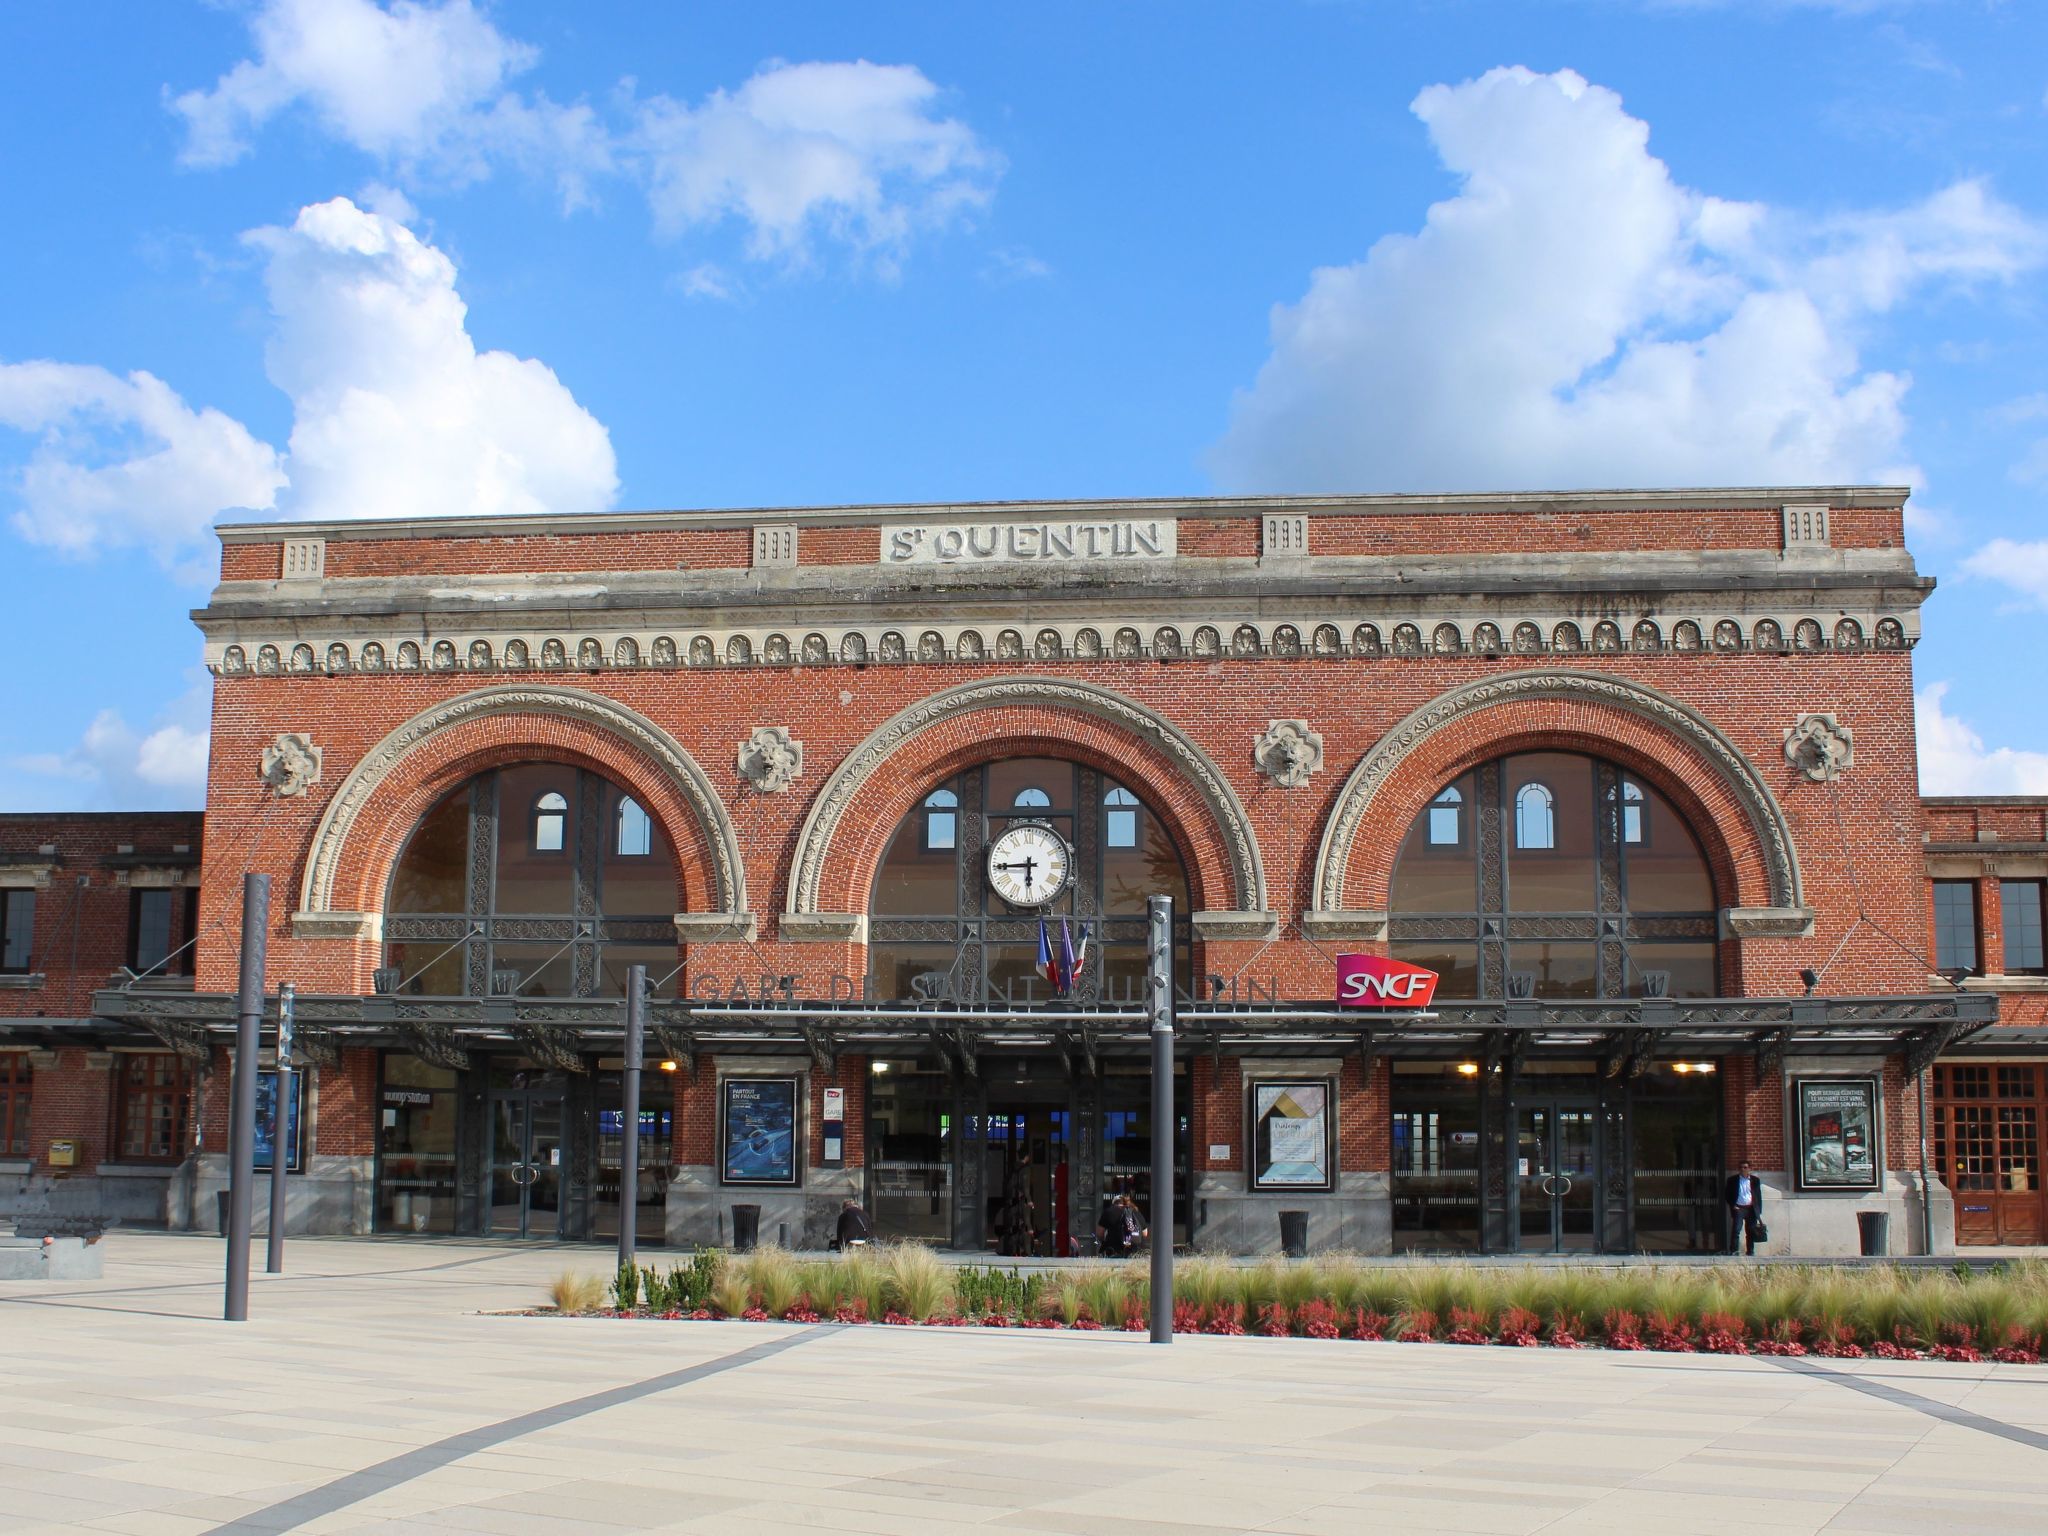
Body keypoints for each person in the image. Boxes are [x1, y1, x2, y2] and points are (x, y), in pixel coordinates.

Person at [1723, 1161, 1764, 1256]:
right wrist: (1733, 1205)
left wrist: (1758, 1211)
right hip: (1739, 1208)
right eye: (1741, 1167)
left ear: (1750, 1169)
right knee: (1736, 1229)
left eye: (1745, 1167)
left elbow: (1758, 1196)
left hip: (1751, 1209)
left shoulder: (1755, 1180)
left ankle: (1750, 1251)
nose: (1743, 1169)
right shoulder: (1732, 1180)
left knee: (1750, 1231)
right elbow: (1727, 1194)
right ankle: (1734, 1250)